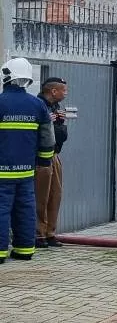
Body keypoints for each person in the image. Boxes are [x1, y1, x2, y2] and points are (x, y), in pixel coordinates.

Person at [0, 58, 54, 263]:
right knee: (25, 209)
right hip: (26, 172)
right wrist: (44, 161)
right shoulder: (37, 105)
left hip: (1, 171)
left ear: (6, 76)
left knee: (1, 210)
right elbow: (48, 138)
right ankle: (24, 250)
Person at [35, 77, 68, 248]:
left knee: (55, 195)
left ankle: (50, 233)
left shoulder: (56, 108)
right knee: (41, 196)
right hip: (40, 158)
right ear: (53, 91)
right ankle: (38, 234)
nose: (66, 93)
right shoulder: (38, 106)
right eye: (64, 90)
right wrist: (49, 121)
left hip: (54, 155)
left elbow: (62, 137)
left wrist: (60, 123)